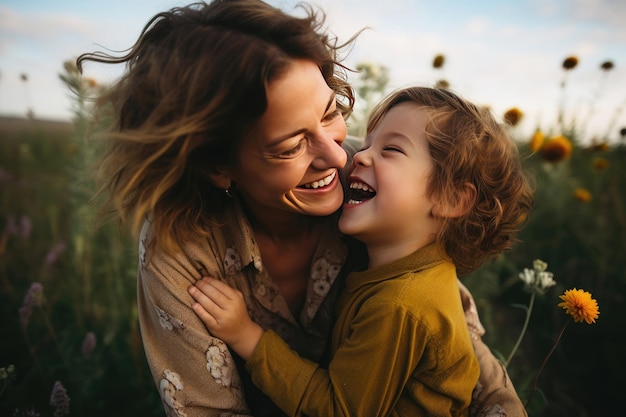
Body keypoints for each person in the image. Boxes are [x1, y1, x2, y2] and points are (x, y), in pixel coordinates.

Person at [77, 0, 529, 416]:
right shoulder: (179, 253)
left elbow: (470, 363)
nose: (339, 158)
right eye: (291, 145)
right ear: (218, 165)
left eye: (330, 112)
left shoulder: (377, 189)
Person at [189, 86, 534, 416]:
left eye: (392, 150)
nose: (357, 157)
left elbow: (339, 410)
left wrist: (246, 335)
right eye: (368, 144)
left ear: (452, 199)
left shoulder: (401, 304)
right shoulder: (401, 273)